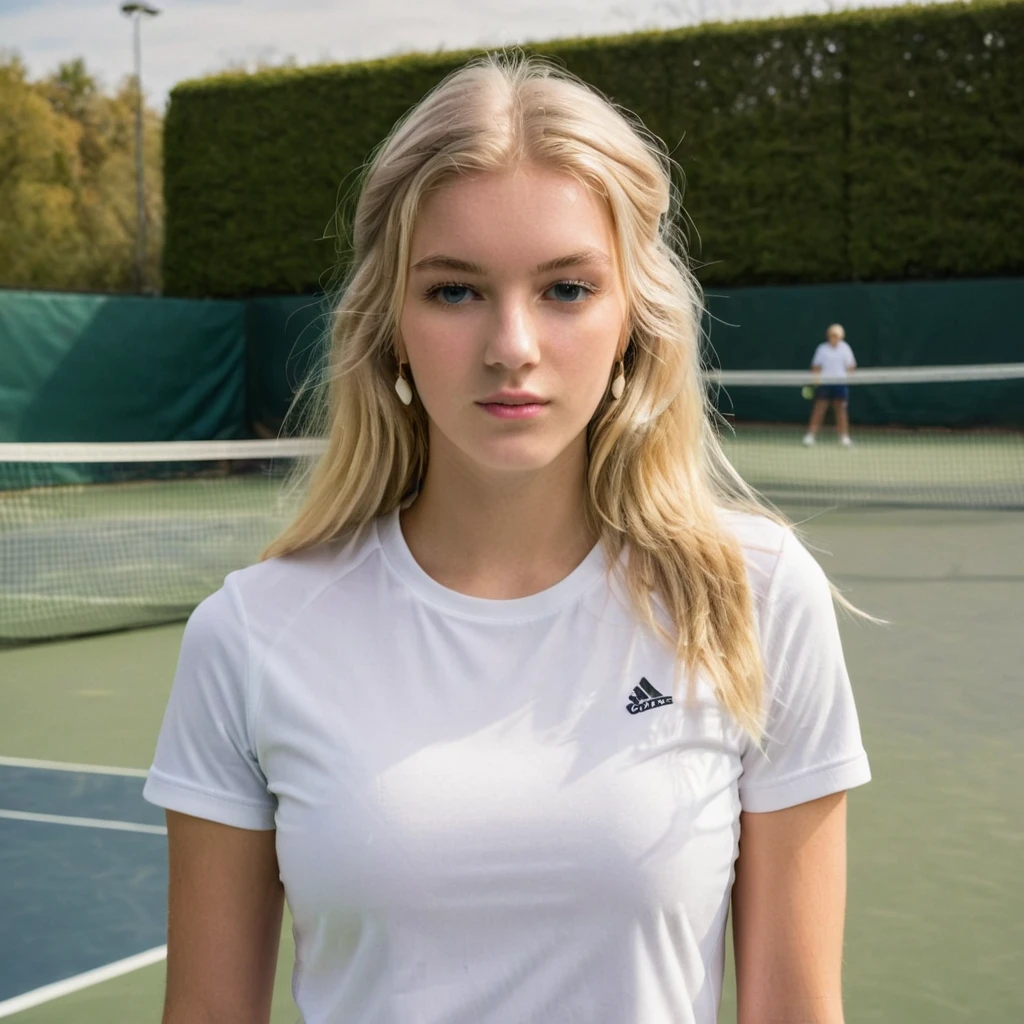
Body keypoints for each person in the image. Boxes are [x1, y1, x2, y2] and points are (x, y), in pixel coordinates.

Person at [143, 54, 871, 1024]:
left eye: (566, 289)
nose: (512, 345)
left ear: (632, 321)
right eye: (455, 291)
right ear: (391, 322)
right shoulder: (249, 637)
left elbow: (794, 1010)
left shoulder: (757, 598)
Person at [803, 323, 857, 446]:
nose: (834, 337)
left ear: (841, 336)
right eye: (832, 335)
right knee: (819, 409)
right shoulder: (822, 349)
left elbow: (851, 366)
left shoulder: (845, 349)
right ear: (828, 336)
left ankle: (844, 437)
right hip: (824, 383)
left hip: (840, 383)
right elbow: (816, 367)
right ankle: (810, 436)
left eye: (837, 335)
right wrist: (815, 381)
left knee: (841, 410)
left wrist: (847, 378)